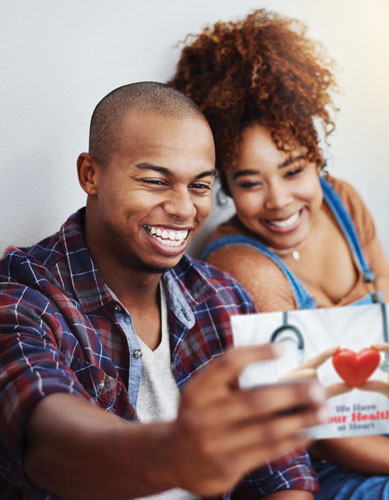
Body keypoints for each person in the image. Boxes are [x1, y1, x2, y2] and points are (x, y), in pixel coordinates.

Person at [169, 10, 389, 499]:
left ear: (317, 157)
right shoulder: (243, 267)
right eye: (249, 183)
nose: (279, 201)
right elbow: (321, 434)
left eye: (294, 170)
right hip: (327, 461)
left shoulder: (343, 202)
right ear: (226, 185)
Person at [0, 82, 330, 500]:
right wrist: (173, 454)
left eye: (199, 186)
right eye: (156, 181)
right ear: (91, 175)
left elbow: (284, 475)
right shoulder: (23, 296)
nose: (183, 208)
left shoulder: (223, 297)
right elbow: (45, 438)